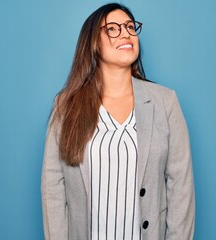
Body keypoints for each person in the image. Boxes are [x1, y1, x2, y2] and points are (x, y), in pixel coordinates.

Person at [41, 3, 195, 240]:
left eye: (130, 27)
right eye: (112, 28)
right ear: (92, 43)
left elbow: (181, 187)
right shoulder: (66, 106)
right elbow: (52, 187)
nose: (126, 33)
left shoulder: (165, 102)